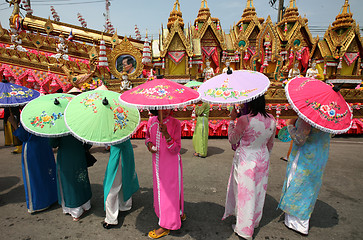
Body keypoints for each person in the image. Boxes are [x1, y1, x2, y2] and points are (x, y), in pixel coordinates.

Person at [222, 96, 276, 240]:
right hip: (262, 157)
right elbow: (270, 143)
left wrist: (231, 120)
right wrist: (264, 156)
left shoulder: (244, 119)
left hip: (246, 159)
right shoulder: (271, 118)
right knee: (258, 192)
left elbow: (233, 139)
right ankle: (254, 222)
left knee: (244, 193)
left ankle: (244, 229)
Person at [278, 117, 331, 235]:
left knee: (297, 186)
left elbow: (299, 139)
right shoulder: (327, 117)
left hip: (304, 158)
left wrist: (290, 125)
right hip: (318, 157)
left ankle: (297, 222)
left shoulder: (306, 119)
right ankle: (301, 220)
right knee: (310, 188)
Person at [145, 109, 185, 239]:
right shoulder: (151, 121)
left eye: (168, 106)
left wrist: (166, 134)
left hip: (171, 164)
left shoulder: (175, 123)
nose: (166, 110)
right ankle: (175, 213)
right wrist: (149, 144)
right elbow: (147, 138)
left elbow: (176, 149)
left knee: (169, 192)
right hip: (156, 164)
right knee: (160, 191)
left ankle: (167, 225)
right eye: (162, 107)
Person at [9, 119, 57, 213]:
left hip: (32, 149)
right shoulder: (42, 113)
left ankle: (39, 203)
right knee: (47, 172)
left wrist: (14, 124)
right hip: (45, 145)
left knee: (35, 176)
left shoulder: (26, 116)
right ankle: (52, 197)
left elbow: (23, 136)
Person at [49, 135, 92, 221]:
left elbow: (53, 143)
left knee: (68, 182)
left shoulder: (60, 125)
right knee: (81, 180)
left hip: (66, 156)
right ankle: (86, 205)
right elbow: (89, 140)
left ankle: (75, 211)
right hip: (79, 153)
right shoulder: (80, 122)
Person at [102, 139, 139, 229]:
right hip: (126, 150)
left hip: (118, 154)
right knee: (125, 179)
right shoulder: (128, 126)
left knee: (111, 186)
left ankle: (111, 219)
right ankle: (125, 205)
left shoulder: (112, 126)